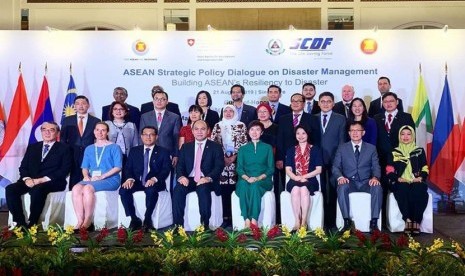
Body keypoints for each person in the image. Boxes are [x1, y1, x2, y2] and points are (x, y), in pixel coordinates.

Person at [6, 122, 71, 228]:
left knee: (38, 190)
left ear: (57, 133)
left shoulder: (64, 148)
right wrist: (27, 179)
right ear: (41, 131)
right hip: (30, 180)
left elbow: (64, 170)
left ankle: (32, 223)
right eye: (44, 129)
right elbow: (23, 167)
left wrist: (40, 180)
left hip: (52, 181)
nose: (47, 132)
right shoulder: (33, 147)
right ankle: (20, 223)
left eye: (51, 130)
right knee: (10, 189)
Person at [172, 120, 224, 228]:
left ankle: (204, 226)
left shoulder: (216, 147)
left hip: (206, 180)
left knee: (203, 189)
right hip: (189, 179)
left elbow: (219, 167)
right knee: (178, 189)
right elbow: (180, 165)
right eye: (196, 129)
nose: (199, 132)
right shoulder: (186, 147)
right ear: (192, 131)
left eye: (203, 129)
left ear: (208, 131)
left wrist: (208, 178)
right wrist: (181, 177)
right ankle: (178, 226)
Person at [71, 122, 122, 231]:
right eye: (97, 130)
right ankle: (80, 220)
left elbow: (118, 167)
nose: (100, 132)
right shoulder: (89, 148)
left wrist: (102, 176)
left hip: (110, 179)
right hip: (92, 179)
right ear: (94, 132)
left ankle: (87, 221)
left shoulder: (114, 147)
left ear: (107, 132)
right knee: (76, 188)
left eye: (103, 130)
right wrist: (85, 176)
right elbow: (84, 167)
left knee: (87, 188)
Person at [333, 121, 382, 233]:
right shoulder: (342, 148)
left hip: (366, 182)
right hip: (349, 181)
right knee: (342, 187)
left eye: (358, 130)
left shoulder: (371, 148)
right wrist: (340, 177)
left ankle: (374, 223)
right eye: (352, 131)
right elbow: (335, 167)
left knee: (377, 187)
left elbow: (376, 166)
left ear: (363, 133)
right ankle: (346, 222)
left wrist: (375, 177)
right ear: (349, 133)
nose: (355, 133)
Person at [120, 126, 171, 231]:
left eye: (151, 134)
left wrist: (154, 179)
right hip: (137, 182)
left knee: (151, 190)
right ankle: (134, 219)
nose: (148, 137)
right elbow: (128, 168)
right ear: (141, 137)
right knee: (123, 191)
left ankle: (147, 219)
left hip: (155, 182)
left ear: (156, 137)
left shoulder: (163, 151)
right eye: (145, 135)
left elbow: (166, 170)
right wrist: (129, 179)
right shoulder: (134, 151)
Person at [310, 91, 346, 230]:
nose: (325, 104)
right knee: (320, 189)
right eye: (323, 101)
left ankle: (331, 221)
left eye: (328, 101)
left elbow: (342, 141)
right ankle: (320, 220)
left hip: (334, 160)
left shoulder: (340, 118)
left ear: (333, 103)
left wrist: (339, 160)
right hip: (317, 161)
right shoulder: (313, 118)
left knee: (333, 190)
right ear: (318, 103)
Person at [386, 126, 429, 235]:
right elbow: (389, 170)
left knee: (419, 190)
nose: (405, 136)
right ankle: (408, 220)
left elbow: (425, 167)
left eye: (408, 134)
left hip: (416, 180)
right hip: (400, 181)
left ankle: (416, 221)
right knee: (402, 189)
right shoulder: (394, 152)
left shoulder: (419, 151)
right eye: (402, 134)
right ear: (399, 136)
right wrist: (398, 178)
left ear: (413, 136)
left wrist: (420, 177)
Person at [210, 105, 248, 227]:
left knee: (234, 188)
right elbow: (213, 143)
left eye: (231, 111)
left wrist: (233, 157)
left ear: (235, 112)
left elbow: (244, 143)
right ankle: (225, 217)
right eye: (225, 110)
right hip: (221, 163)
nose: (228, 113)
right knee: (223, 190)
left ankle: (234, 216)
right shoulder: (217, 125)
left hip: (236, 162)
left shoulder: (241, 125)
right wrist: (223, 158)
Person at [140, 89, 182, 193]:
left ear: (167, 101)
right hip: (148, 153)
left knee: (167, 183)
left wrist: (176, 154)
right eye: (157, 99)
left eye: (162, 99)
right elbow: (141, 136)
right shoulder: (145, 116)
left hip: (167, 154)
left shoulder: (174, 117)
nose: (159, 101)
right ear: (153, 101)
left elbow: (176, 137)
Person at [235, 120, 275, 228]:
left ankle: (254, 220)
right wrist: (247, 178)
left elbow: (271, 168)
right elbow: (239, 168)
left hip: (263, 180)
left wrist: (258, 178)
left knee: (255, 186)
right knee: (243, 185)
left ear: (262, 132)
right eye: (252, 130)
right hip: (245, 179)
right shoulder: (243, 149)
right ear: (248, 132)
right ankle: (246, 220)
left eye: (258, 130)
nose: (254, 132)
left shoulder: (267, 148)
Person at [285, 125, 323, 230]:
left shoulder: (315, 150)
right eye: (298, 133)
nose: (300, 136)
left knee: (304, 189)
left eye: (303, 133)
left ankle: (304, 221)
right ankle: (297, 221)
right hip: (295, 179)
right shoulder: (290, 150)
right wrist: (295, 177)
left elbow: (319, 169)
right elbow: (288, 169)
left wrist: (304, 176)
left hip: (310, 180)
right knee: (296, 189)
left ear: (307, 134)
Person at [60, 95, 100, 189]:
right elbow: (63, 139)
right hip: (72, 153)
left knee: (88, 178)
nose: (80, 106)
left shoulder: (96, 121)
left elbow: (98, 138)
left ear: (88, 105)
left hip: (89, 153)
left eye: (83, 103)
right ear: (74, 106)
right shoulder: (67, 120)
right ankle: (74, 199)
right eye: (77, 104)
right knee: (74, 178)